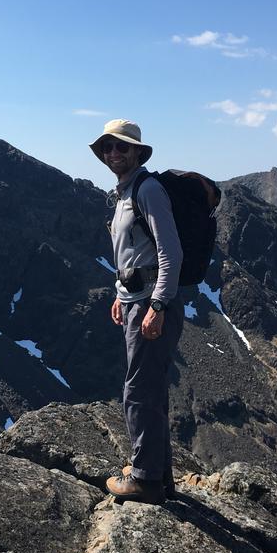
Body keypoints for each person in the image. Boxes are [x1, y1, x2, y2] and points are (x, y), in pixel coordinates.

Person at [90, 119, 184, 505]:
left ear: (137, 153)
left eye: (122, 147)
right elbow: (132, 254)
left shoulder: (148, 190)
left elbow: (170, 252)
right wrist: (121, 294)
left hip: (150, 304)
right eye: (108, 147)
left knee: (139, 390)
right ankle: (161, 476)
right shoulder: (124, 193)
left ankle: (145, 480)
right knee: (150, 389)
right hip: (134, 299)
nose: (114, 153)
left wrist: (158, 305)